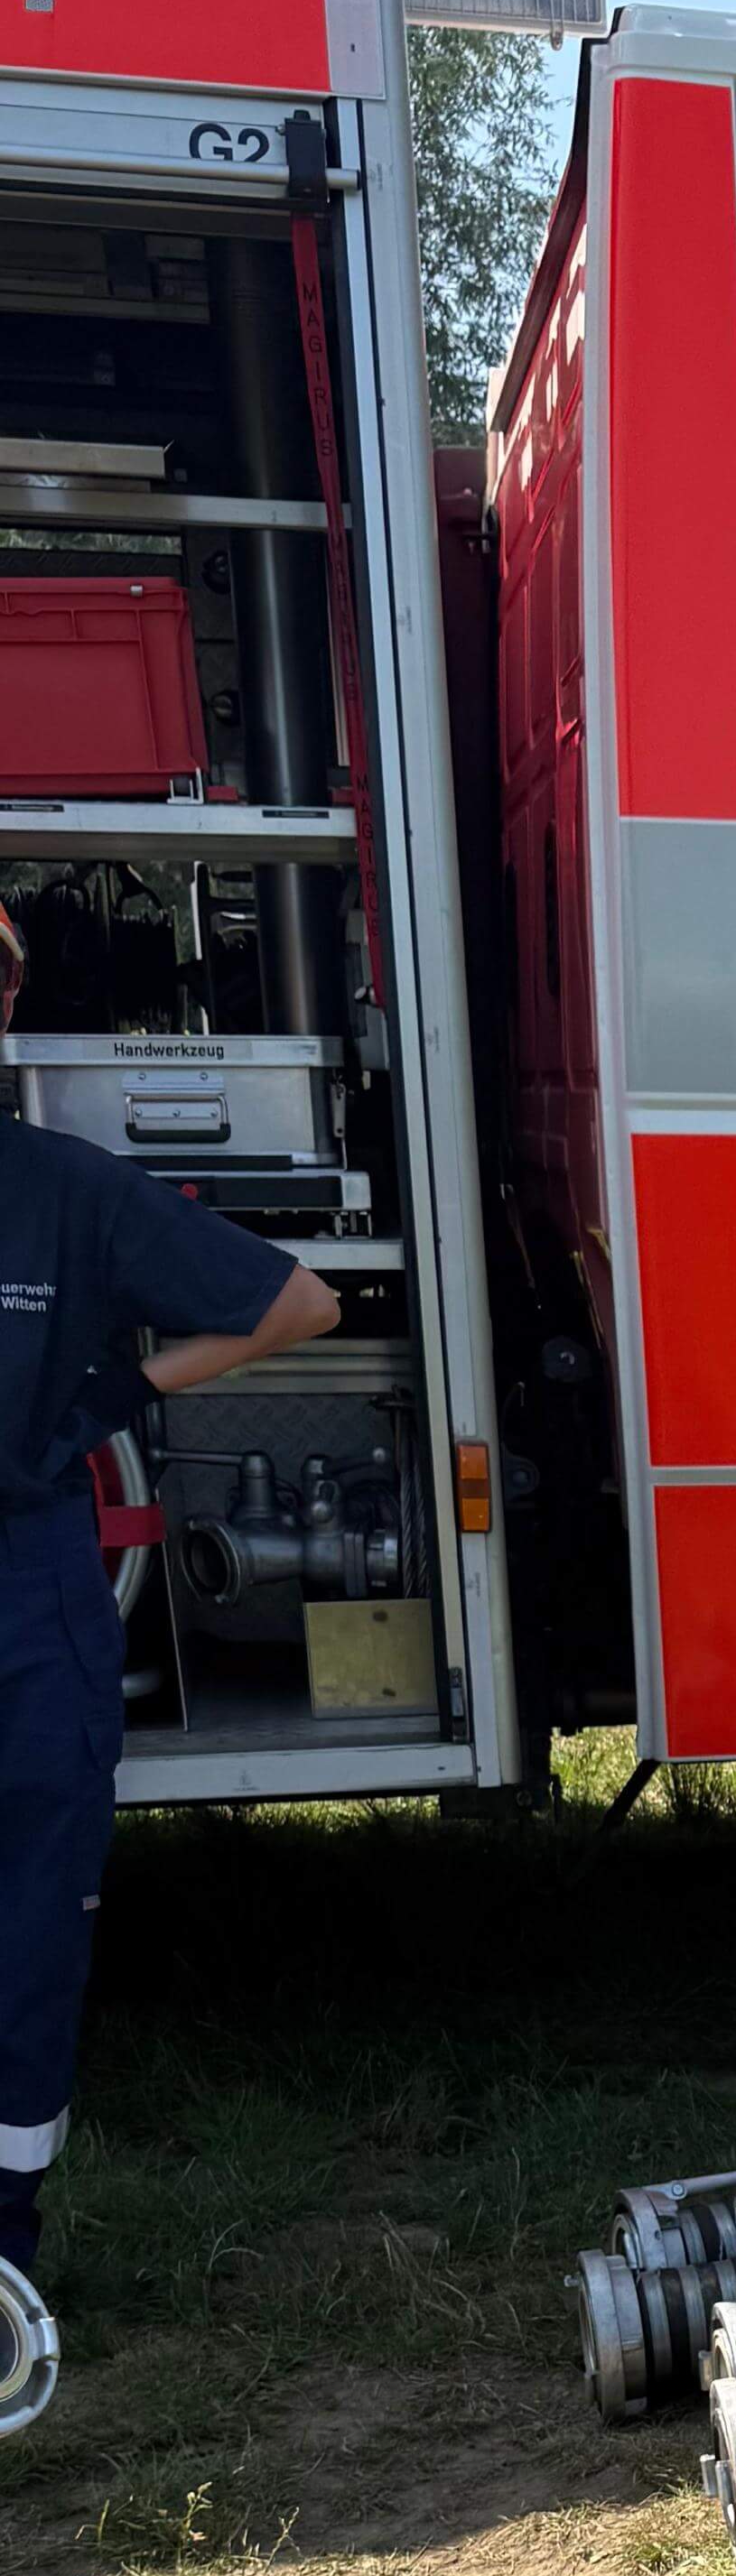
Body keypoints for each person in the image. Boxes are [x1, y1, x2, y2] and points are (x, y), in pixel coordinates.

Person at [0, 890, 340, 2354]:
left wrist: (122, 1395)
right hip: (35, 1595)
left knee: (27, 1936)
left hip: (26, 1593)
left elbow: (299, 1304)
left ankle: (5, 2262)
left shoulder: (63, 1189)